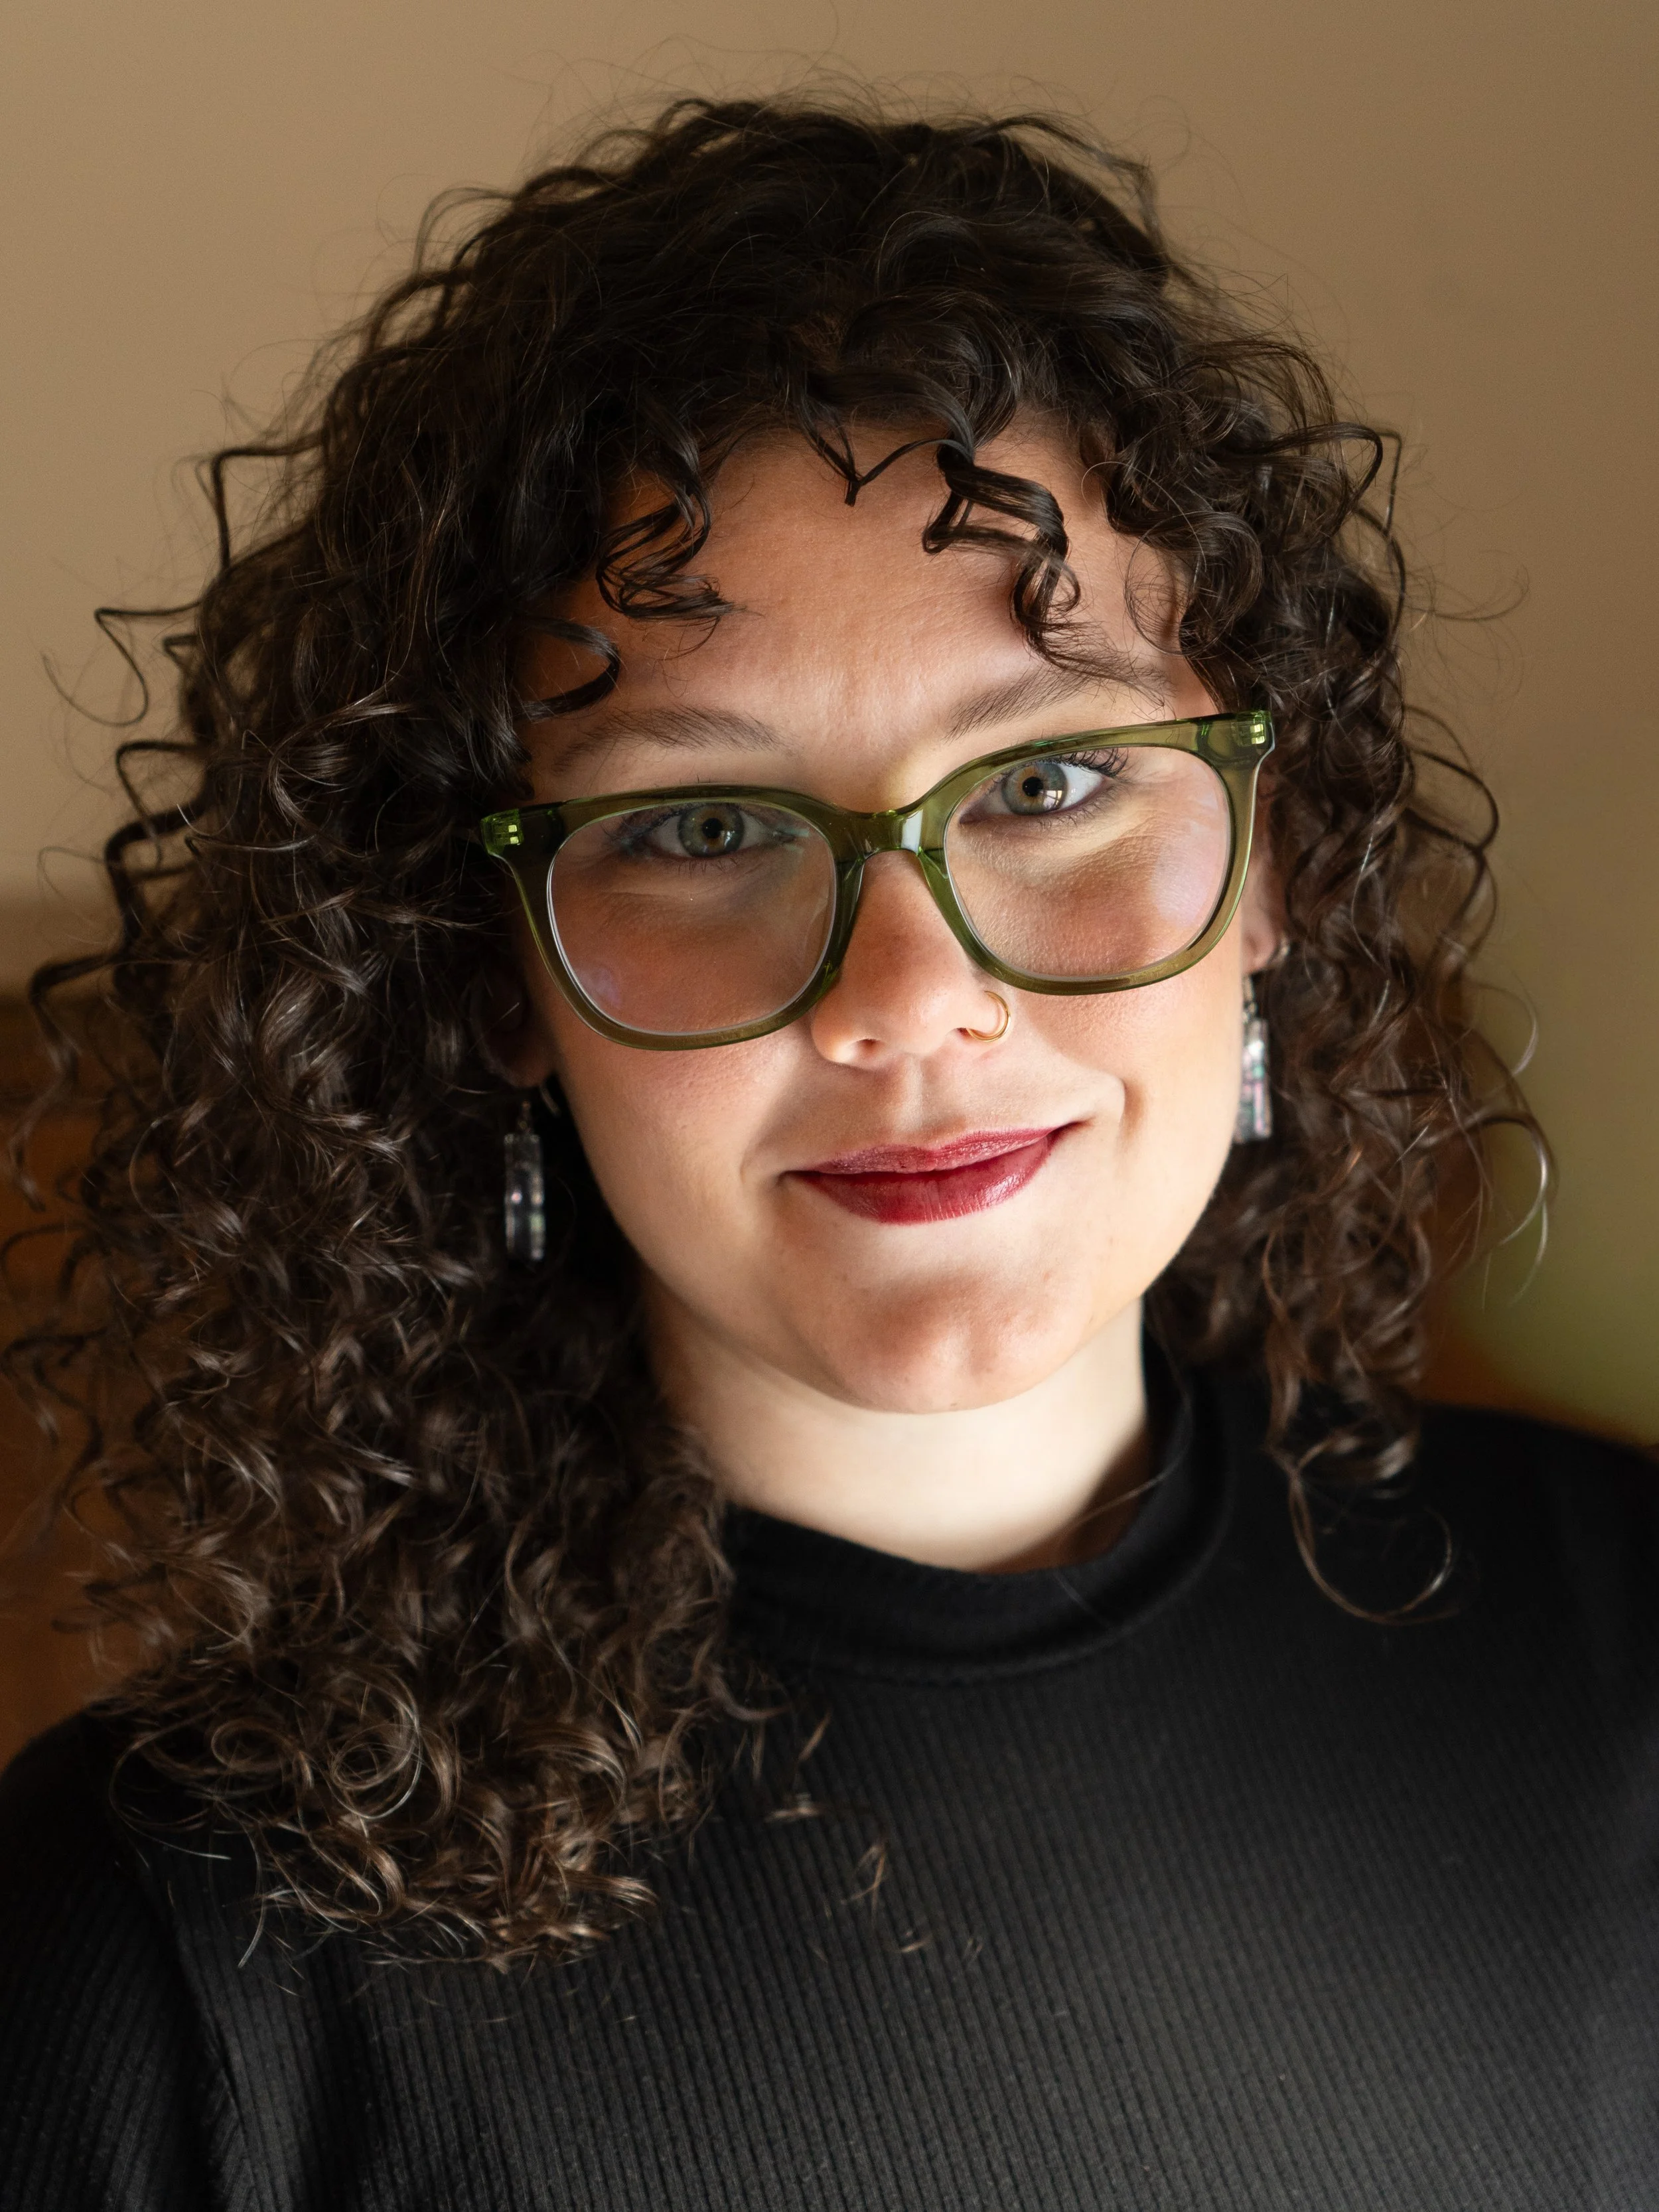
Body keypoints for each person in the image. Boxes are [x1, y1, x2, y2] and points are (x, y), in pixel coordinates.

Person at [1, 94, 1654, 2212]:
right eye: (700, 828)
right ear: (487, 965)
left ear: (1274, 862)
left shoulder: (1617, 1648)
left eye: (1050, 779)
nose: (904, 990)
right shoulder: (173, 1946)